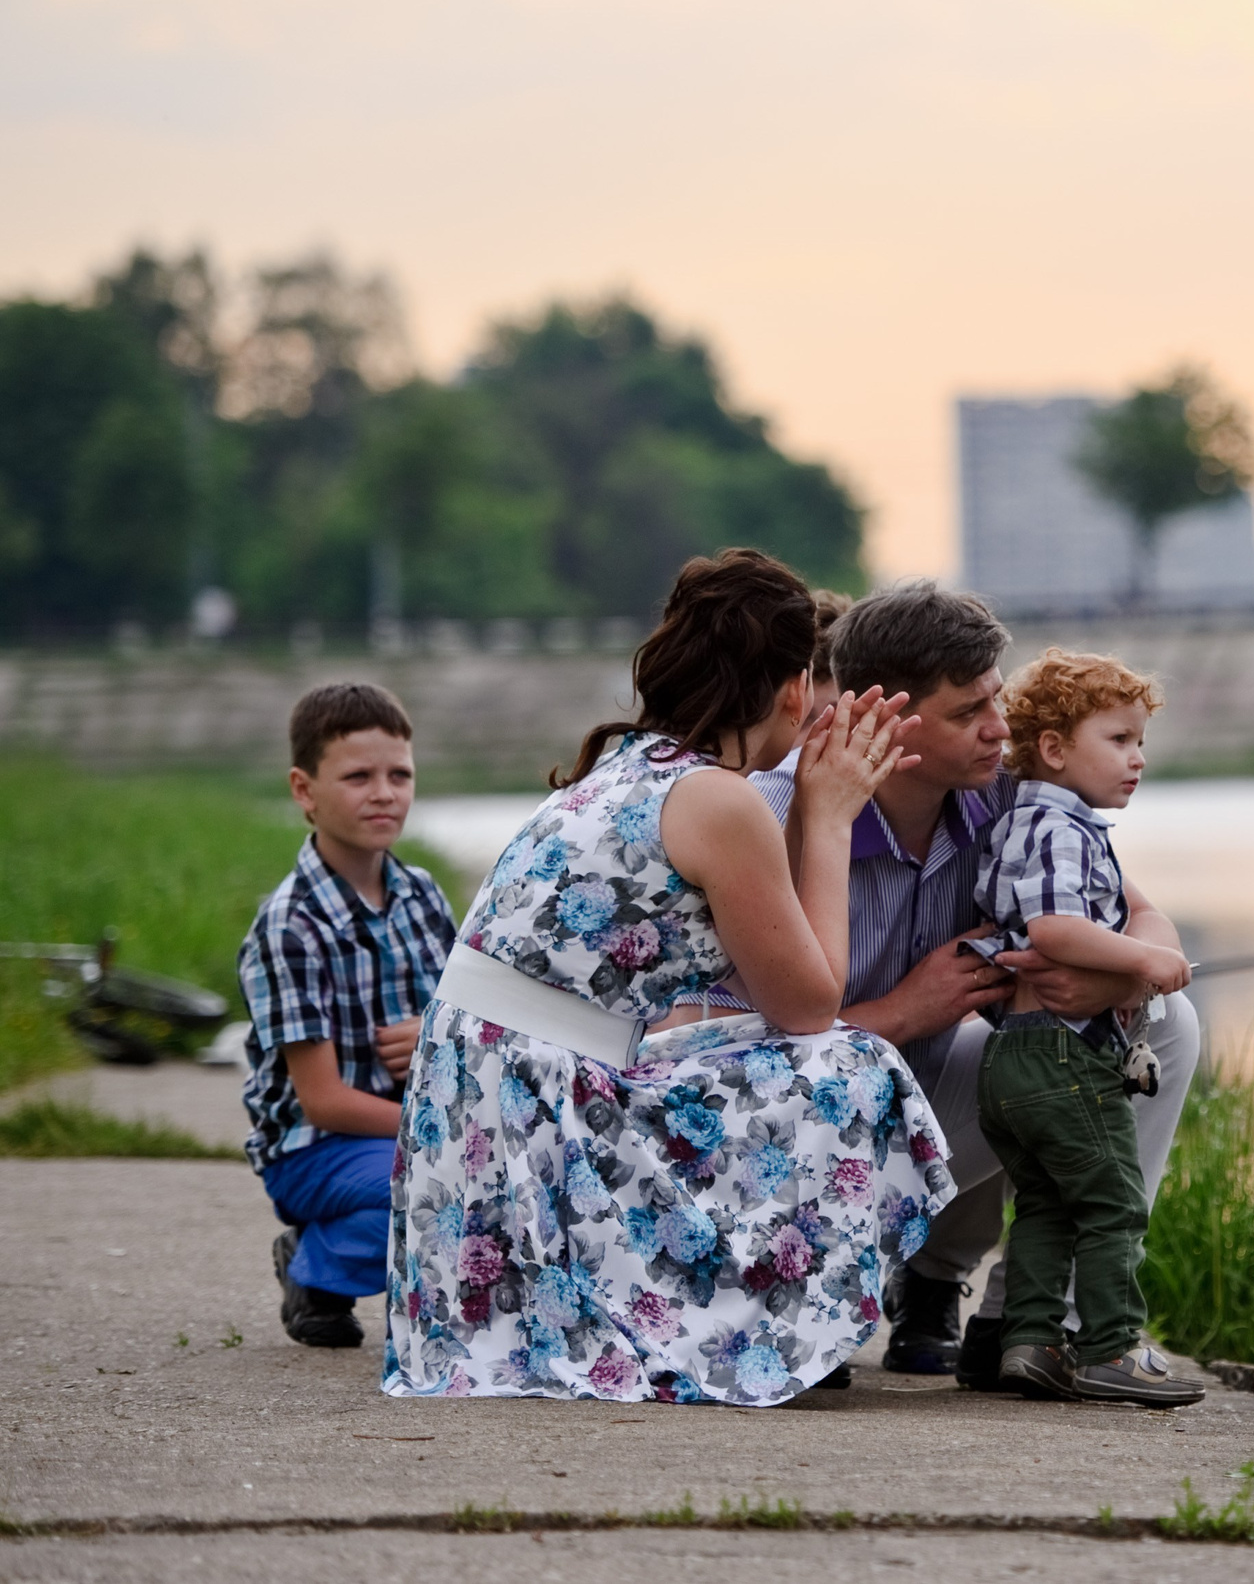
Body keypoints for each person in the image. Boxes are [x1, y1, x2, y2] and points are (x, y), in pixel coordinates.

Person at [382, 549, 954, 1403]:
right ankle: (772, 1322)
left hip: (482, 1100)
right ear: (795, 688)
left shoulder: (630, 769)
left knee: (754, 1053)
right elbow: (810, 1008)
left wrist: (808, 806)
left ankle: (769, 1314)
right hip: (537, 1104)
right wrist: (831, 817)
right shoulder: (716, 799)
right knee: (852, 1068)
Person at [744, 582, 1201, 1382]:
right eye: (967, 714)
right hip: (797, 1139)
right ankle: (852, 1278)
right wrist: (903, 1008)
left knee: (1168, 1023)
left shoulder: (1006, 796)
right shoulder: (775, 813)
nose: (1001, 728)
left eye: (995, 697)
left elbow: (1144, 918)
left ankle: (1039, 1323)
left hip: (929, 1109)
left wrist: (1111, 984)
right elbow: (733, 1052)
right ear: (884, 714)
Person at [970, 649, 1201, 1405]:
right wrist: (1144, 961)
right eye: (1119, 740)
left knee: (1044, 1205)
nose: (1137, 760)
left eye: (1141, 743)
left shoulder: (1027, 820)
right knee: (1112, 1202)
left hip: (1013, 1058)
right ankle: (1110, 1347)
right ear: (1055, 748)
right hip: (1063, 1058)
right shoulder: (1058, 828)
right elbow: (1055, 931)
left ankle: (1030, 1341)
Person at [240, 683, 456, 1349]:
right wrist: (446, 1130)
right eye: (358, 777)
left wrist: (440, 1028)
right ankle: (319, 1272)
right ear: (305, 791)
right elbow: (325, 1101)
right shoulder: (292, 925)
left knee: (495, 1176)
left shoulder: (422, 894)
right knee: (445, 1185)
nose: (384, 792)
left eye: (400, 775)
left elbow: (466, 1016)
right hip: (316, 1150)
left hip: (403, 1131)